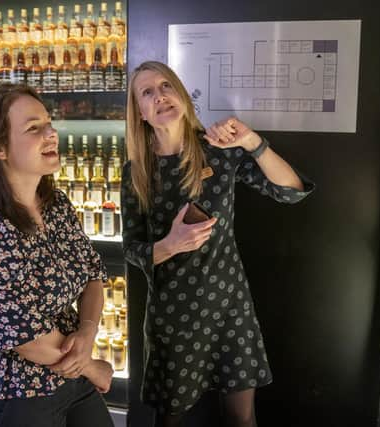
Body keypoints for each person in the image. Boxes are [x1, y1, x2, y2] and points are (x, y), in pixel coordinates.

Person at [122, 61, 314, 427]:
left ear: (181, 94)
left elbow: (291, 192)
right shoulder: (137, 172)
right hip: (173, 316)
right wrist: (171, 244)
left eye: (166, 86)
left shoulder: (218, 151)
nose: (161, 95)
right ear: (141, 113)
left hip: (229, 307)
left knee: (242, 418)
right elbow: (131, 248)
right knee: (170, 418)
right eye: (148, 92)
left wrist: (253, 143)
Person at [0, 84, 114, 427]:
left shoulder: (56, 206)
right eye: (34, 128)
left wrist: (86, 333)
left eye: (49, 123)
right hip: (15, 396)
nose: (51, 133)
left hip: (71, 379)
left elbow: (92, 275)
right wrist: (91, 365)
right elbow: (24, 335)